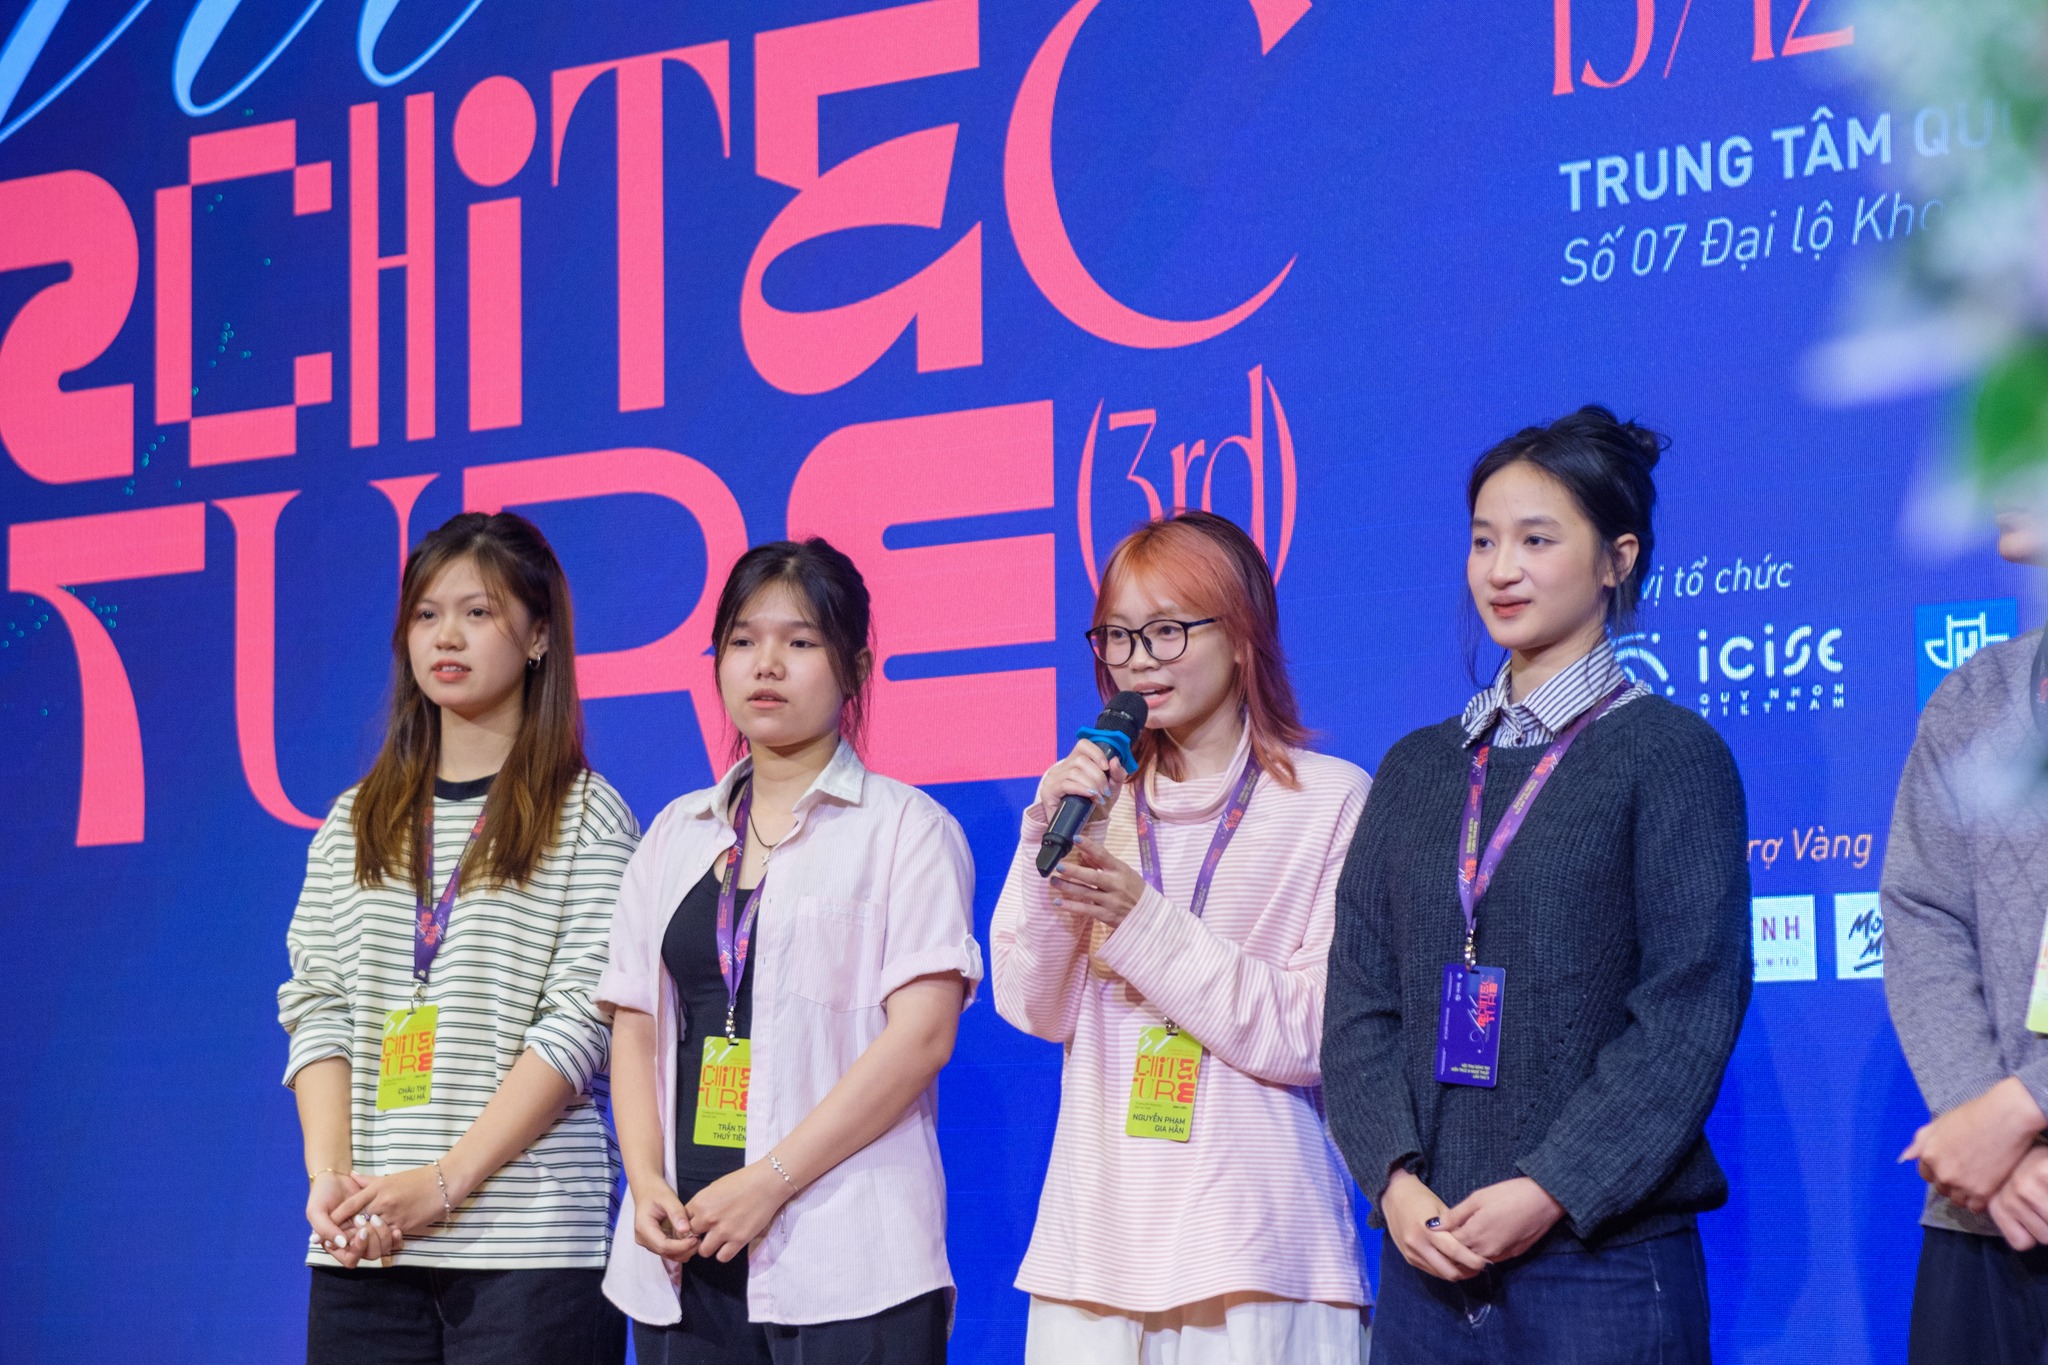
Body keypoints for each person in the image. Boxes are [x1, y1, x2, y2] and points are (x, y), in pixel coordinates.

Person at [1323, 406, 1751, 1363]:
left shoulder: (1670, 755)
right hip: (1426, 1261)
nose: (1500, 569)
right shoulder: (1417, 767)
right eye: (1483, 541)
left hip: (1600, 1266)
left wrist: (1553, 1185)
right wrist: (1392, 1180)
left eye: (1536, 539)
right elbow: (1357, 998)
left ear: (1617, 559)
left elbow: (1687, 1012)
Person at [991, 509, 1371, 1363]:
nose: (1137, 660)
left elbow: (1316, 1030)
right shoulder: (1086, 801)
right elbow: (1032, 1005)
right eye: (1118, 636)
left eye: (1167, 630)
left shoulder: (1330, 800)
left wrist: (1143, 922)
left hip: (1260, 1248)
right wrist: (1054, 835)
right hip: (1093, 1250)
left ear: (1240, 636)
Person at [600, 538, 981, 1364]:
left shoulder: (906, 830)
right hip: (683, 1255)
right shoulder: (673, 834)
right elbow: (634, 1021)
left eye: (800, 641)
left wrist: (768, 1181)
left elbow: (922, 1037)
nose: (766, 664)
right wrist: (647, 1178)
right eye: (742, 640)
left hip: (849, 1254)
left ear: (855, 668)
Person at [278, 511, 639, 1364]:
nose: (447, 636)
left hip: (531, 1250)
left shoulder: (588, 815)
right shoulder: (352, 822)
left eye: (478, 612)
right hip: (367, 1246)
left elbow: (579, 1024)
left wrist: (443, 1185)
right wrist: (332, 1180)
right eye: (427, 613)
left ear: (539, 635)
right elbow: (318, 1005)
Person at [1885, 504, 2048, 1363]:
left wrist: (2021, 1108)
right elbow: (1923, 912)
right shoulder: (1978, 695)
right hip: (1990, 1214)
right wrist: (1985, 1124)